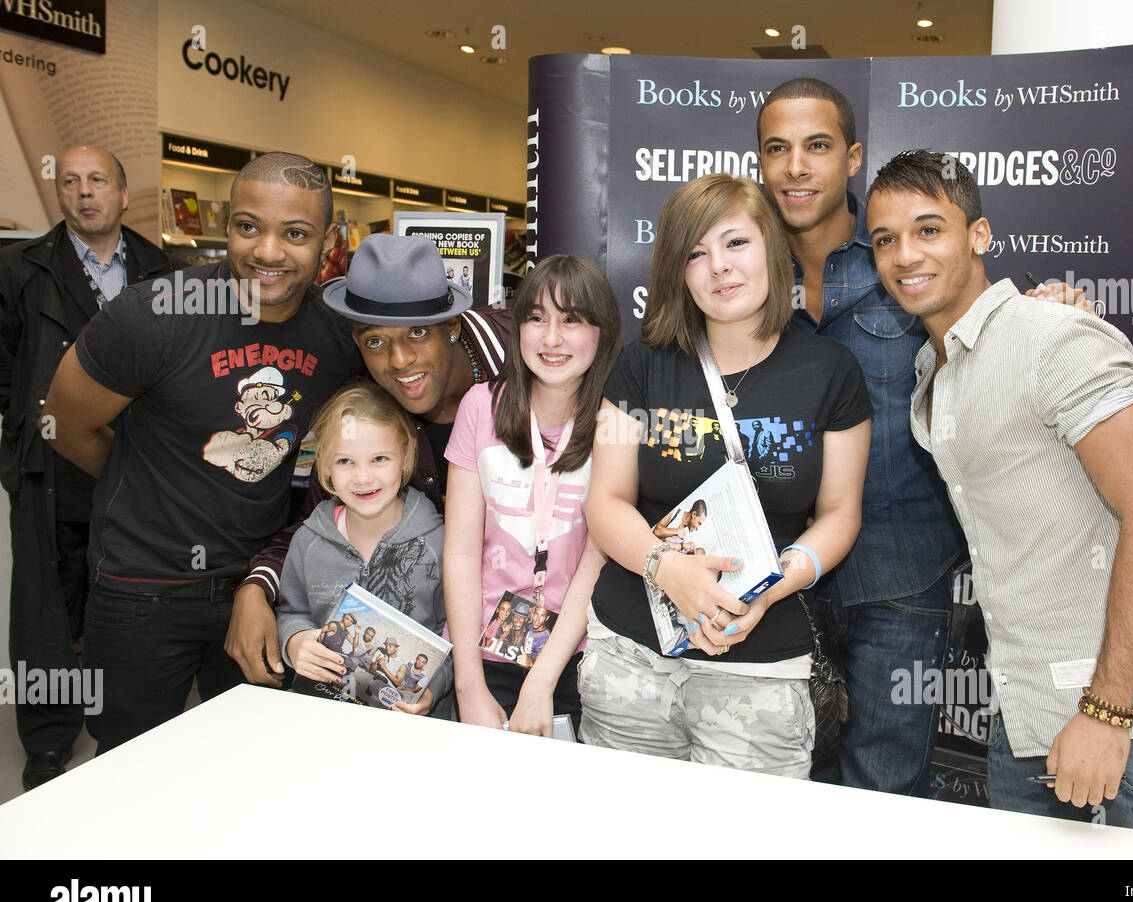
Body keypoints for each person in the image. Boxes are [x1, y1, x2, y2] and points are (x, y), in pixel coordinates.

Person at [865, 148, 1133, 839]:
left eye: (928, 229)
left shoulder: (1055, 337)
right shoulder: (935, 369)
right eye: (885, 239)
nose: (905, 254)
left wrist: (1106, 710)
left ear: (980, 235)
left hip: (1132, 718)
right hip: (1025, 714)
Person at [756, 78, 1093, 793]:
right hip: (777, 569)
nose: (796, 167)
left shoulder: (901, 258)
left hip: (901, 577)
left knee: (883, 789)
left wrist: (1052, 310)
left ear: (850, 158)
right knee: (775, 776)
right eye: (777, 149)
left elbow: (987, 325)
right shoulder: (744, 270)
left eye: (816, 146)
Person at [42, 151, 364, 752]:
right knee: (128, 770)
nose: (268, 251)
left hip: (259, 588)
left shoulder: (337, 336)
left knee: (247, 765)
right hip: (140, 588)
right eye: (248, 226)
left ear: (327, 242)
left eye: (295, 233)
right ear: (228, 228)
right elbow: (63, 424)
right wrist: (145, 487)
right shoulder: (152, 314)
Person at [582, 174, 872, 778]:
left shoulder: (831, 372)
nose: (719, 268)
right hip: (631, 656)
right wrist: (670, 570)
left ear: (770, 245)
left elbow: (840, 514)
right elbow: (605, 503)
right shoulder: (640, 368)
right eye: (695, 254)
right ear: (678, 273)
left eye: (735, 243)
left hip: (759, 671)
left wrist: (764, 590)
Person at [229, 233, 511, 689]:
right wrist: (255, 587)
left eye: (418, 333)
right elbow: (318, 519)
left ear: (453, 326)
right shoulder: (370, 409)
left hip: (526, 632)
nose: (400, 360)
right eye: (376, 341)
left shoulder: (524, 363)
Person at [0, 145, 181, 787]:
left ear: (123, 194)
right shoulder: (19, 269)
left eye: (97, 181)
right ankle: (48, 740)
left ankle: (126, 717)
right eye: (71, 182)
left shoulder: (165, 270)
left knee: (124, 594)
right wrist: (20, 437)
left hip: (133, 461)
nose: (84, 193)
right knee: (46, 604)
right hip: (48, 463)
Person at [419, 254, 618, 736]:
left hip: (579, 656)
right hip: (482, 651)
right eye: (536, 318)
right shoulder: (480, 406)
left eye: (572, 320)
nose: (552, 339)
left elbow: (599, 557)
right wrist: (467, 684)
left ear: (602, 333)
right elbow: (462, 552)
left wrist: (541, 682)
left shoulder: (616, 419)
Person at [277, 381, 451, 717]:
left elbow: (455, 631)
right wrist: (295, 642)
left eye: (379, 459)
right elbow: (291, 612)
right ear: (324, 465)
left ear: (406, 457)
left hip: (416, 730)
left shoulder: (439, 543)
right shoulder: (308, 541)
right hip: (329, 721)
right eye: (345, 461)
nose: (362, 477)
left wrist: (433, 687)